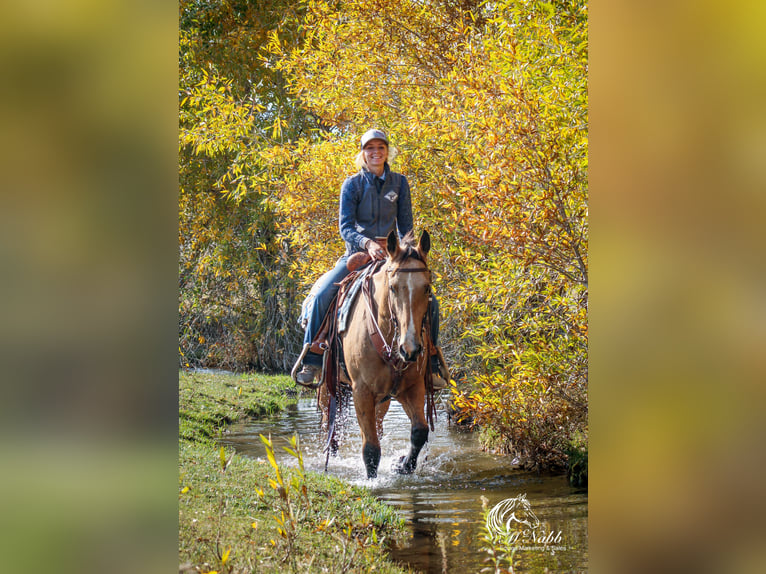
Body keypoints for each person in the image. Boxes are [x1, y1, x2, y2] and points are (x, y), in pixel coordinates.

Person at [293, 128, 445, 387]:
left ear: (387, 152)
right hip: (357, 256)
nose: (376, 152)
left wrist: (405, 252)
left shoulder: (400, 183)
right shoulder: (351, 185)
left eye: (380, 148)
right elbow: (346, 227)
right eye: (370, 148)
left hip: (392, 256)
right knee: (322, 295)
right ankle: (314, 357)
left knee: (430, 301)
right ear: (363, 153)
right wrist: (367, 244)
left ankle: (431, 361)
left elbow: (405, 227)